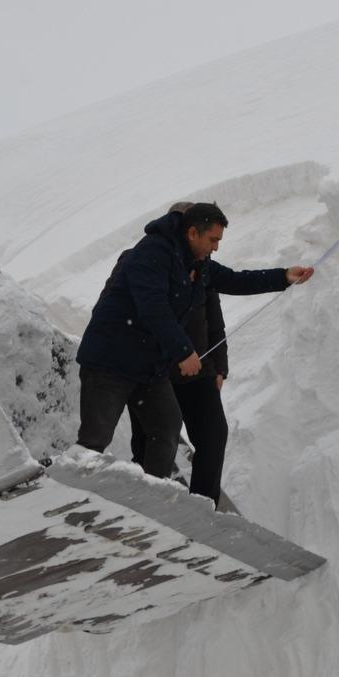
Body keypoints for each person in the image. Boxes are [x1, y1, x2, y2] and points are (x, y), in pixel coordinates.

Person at [75, 202, 313, 480]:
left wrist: (283, 277)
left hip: (148, 367)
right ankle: (71, 499)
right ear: (192, 233)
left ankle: (152, 497)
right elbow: (153, 308)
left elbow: (234, 280)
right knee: (94, 440)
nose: (216, 247)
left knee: (165, 427)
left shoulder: (196, 262)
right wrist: (184, 351)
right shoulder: (152, 253)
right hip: (110, 362)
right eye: (213, 240)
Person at [128, 203, 231, 506]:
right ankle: (148, 505)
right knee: (150, 442)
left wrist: (219, 366)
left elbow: (214, 320)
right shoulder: (143, 260)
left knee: (213, 437)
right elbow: (137, 313)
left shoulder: (202, 267)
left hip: (199, 370)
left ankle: (204, 506)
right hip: (154, 372)